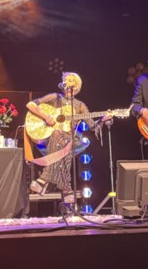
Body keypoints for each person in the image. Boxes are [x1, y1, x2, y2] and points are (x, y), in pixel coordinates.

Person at [26, 72, 110, 205]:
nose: (66, 82)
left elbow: (93, 126)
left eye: (70, 80)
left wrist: (103, 119)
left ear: (75, 85)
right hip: (52, 139)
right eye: (65, 79)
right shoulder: (55, 97)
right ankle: (67, 188)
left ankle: (43, 179)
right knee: (57, 135)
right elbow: (30, 105)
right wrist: (46, 117)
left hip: (73, 140)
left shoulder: (80, 105)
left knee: (62, 138)